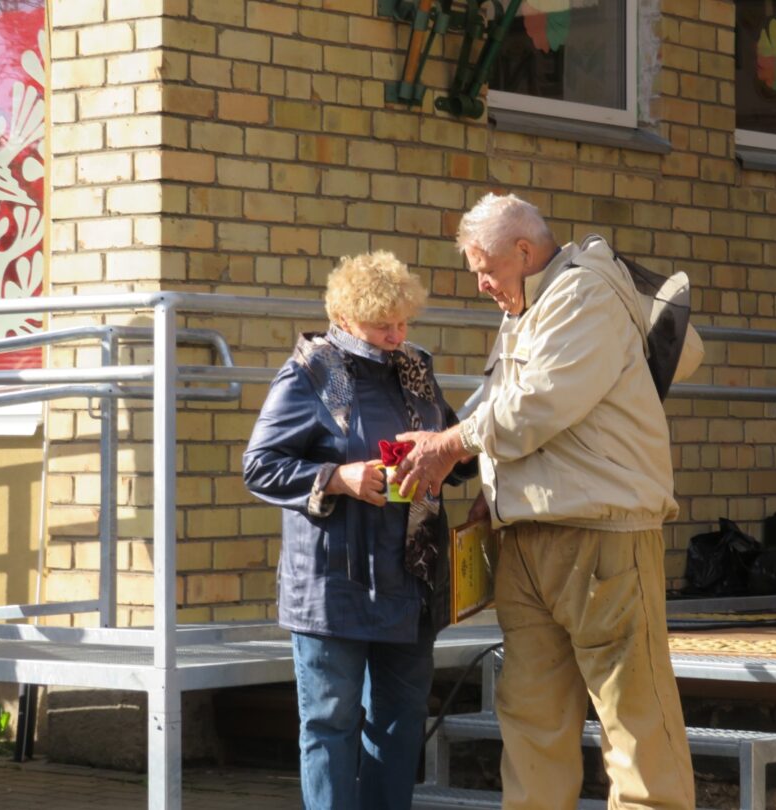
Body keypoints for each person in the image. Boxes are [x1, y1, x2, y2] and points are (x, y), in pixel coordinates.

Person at [394, 193, 696, 809]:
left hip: (602, 539)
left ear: (524, 250)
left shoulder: (583, 292)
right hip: (525, 540)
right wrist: (492, 490)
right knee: (530, 721)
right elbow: (519, 414)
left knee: (635, 722)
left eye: (486, 269)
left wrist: (448, 445)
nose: (481, 284)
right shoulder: (528, 304)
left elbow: (538, 405)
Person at [243, 251, 475, 810]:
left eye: (403, 322)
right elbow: (259, 466)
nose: (396, 336)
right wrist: (337, 478)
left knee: (400, 721)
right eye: (381, 325)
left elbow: (451, 451)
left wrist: (458, 453)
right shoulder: (311, 372)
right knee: (330, 722)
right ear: (344, 318)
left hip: (409, 580)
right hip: (332, 586)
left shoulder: (416, 369)